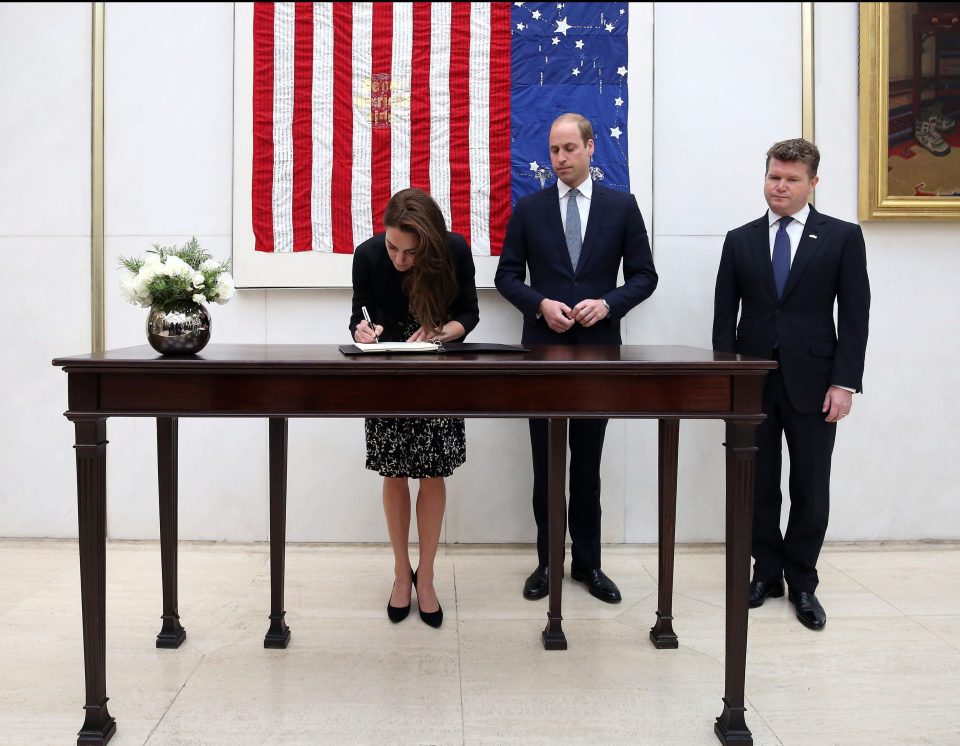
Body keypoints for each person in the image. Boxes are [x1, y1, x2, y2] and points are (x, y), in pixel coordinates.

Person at [495, 113, 658, 604]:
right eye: (553, 150)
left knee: (587, 466)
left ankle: (588, 564)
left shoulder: (621, 207)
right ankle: (548, 563)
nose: (560, 158)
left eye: (569, 148)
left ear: (591, 148)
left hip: (598, 356)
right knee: (545, 465)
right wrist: (539, 304)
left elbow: (645, 276)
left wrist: (608, 303)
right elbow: (507, 276)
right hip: (541, 355)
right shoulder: (529, 208)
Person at [712, 138, 870, 630]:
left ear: (813, 183)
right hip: (754, 383)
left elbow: (856, 315)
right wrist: (727, 380)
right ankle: (767, 571)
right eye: (773, 177)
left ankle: (803, 579)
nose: (779, 186)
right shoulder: (740, 239)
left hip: (816, 383)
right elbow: (723, 319)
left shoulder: (842, 237)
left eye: (791, 179)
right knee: (756, 484)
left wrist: (844, 383)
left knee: (809, 485)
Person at [350, 188, 479, 628]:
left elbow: (470, 313)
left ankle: (427, 576)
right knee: (394, 470)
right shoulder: (367, 256)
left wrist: (442, 332)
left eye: (410, 251)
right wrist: (362, 332)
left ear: (429, 242)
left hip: (436, 373)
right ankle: (400, 573)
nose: (400, 259)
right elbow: (357, 317)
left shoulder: (454, 250)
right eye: (393, 247)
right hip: (386, 377)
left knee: (432, 472)